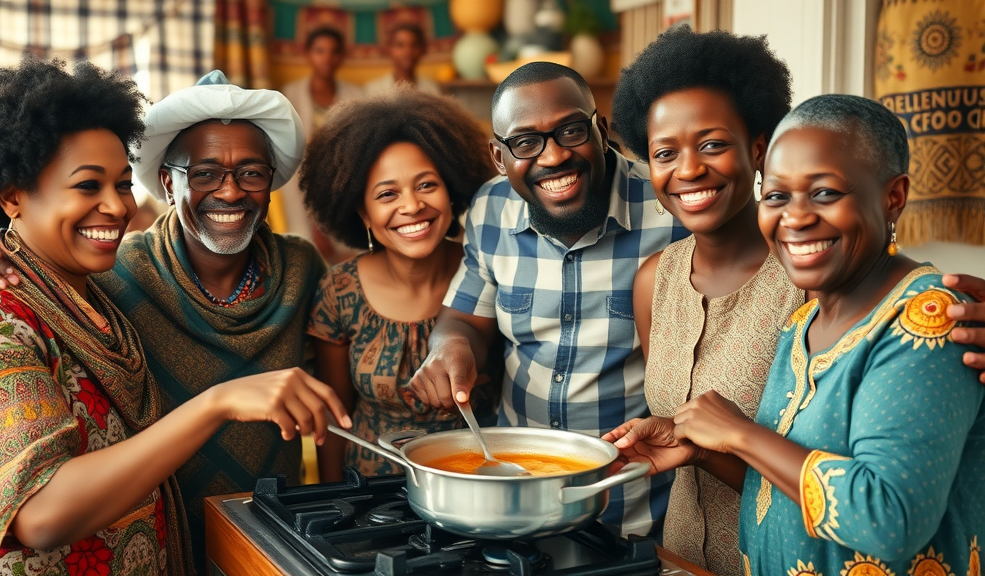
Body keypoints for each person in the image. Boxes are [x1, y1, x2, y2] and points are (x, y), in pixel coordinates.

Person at [0, 58, 348, 576]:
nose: (230, 191)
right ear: (168, 183)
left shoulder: (298, 270)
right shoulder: (104, 278)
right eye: (206, 173)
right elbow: (39, 513)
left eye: (121, 186)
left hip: (260, 545)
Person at [611, 94, 985, 574]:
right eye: (777, 196)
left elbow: (891, 518)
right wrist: (703, 447)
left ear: (893, 196)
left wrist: (740, 434)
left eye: (825, 193)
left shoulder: (929, 318)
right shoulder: (802, 326)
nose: (796, 217)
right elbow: (790, 485)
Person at [408, 62, 687, 537]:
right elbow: (465, 320)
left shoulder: (670, 209)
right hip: (516, 502)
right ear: (499, 157)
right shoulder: (491, 207)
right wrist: (450, 347)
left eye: (570, 131)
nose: (554, 156)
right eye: (525, 143)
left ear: (600, 130)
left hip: (637, 506)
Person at [601, 29, 798, 574]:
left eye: (711, 144)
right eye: (666, 153)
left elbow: (837, 482)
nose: (687, 170)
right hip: (681, 560)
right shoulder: (654, 283)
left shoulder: (808, 280)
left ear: (757, 149)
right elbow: (684, 430)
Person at [298, 89, 500, 481]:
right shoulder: (339, 292)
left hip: (481, 486)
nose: (411, 206)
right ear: (363, 213)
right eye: (387, 194)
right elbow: (336, 417)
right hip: (370, 496)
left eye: (426, 185)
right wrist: (334, 501)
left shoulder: (490, 270)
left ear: (453, 189)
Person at [280, 27, 362, 264]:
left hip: (341, 179)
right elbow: (291, 150)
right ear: (307, 54)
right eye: (319, 51)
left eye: (333, 51)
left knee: (348, 247)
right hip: (300, 178)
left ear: (342, 56)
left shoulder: (355, 94)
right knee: (305, 245)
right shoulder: (291, 94)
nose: (327, 58)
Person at [364, 23, 441, 96]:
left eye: (414, 45)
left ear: (422, 50)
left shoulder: (432, 90)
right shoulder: (373, 90)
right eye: (400, 45)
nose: (407, 52)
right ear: (389, 49)